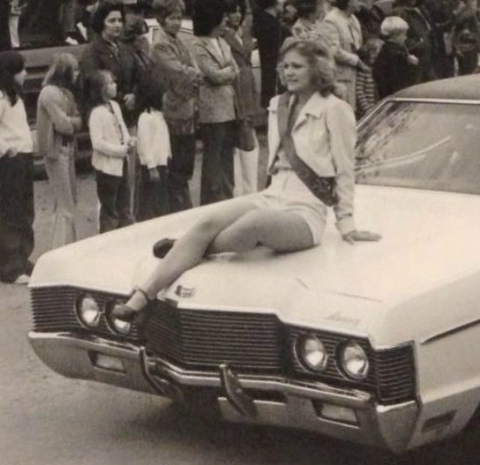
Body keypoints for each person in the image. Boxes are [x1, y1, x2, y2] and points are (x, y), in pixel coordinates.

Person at [111, 38, 381, 323]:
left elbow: (344, 168)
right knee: (206, 222)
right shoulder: (280, 104)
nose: (288, 72)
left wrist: (347, 223)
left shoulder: (335, 108)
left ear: (317, 69)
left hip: (306, 212)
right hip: (272, 195)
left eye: (297, 66)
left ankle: (189, 247)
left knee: (252, 225)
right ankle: (141, 296)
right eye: (285, 66)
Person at [0, 51, 35, 284]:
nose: (25, 73)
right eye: (20, 70)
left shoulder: (16, 98)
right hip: (11, 159)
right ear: (10, 73)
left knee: (25, 209)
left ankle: (23, 258)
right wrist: (6, 148)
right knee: (12, 211)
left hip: (24, 156)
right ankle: (10, 266)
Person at [149, 0, 202, 212]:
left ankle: (182, 203)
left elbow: (192, 67)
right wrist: (194, 75)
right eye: (172, 18)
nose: (177, 22)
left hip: (186, 106)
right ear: (161, 18)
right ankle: (177, 207)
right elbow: (177, 72)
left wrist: (193, 73)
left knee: (186, 161)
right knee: (177, 164)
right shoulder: (161, 44)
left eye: (179, 17)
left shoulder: (177, 40)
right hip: (173, 107)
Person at [192, 0, 239, 206]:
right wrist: (225, 73)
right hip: (211, 112)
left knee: (227, 157)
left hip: (229, 107)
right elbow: (214, 75)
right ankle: (213, 200)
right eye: (222, 15)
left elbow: (234, 69)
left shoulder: (222, 41)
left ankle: (227, 196)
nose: (226, 20)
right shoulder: (198, 45)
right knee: (213, 158)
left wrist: (225, 73)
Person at [36, 53, 82, 248]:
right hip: (56, 150)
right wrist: (74, 122)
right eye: (75, 70)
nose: (78, 74)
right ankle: (65, 247)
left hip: (69, 148)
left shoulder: (66, 93)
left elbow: (77, 120)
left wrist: (73, 122)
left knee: (68, 199)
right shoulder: (49, 93)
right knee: (66, 204)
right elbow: (64, 124)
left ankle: (60, 244)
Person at [222, 0, 260, 196]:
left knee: (248, 132)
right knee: (244, 137)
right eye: (232, 12)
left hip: (246, 86)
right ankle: (246, 190)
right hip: (236, 87)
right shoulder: (226, 35)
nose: (236, 15)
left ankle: (248, 188)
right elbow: (245, 51)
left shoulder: (237, 33)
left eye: (239, 11)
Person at [88, 70, 135, 233]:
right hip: (107, 168)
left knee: (124, 204)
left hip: (121, 164)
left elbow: (121, 125)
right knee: (110, 209)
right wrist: (120, 150)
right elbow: (98, 143)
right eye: (110, 83)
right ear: (101, 89)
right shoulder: (96, 113)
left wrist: (129, 140)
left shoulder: (114, 106)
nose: (114, 85)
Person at [79, 1, 138, 124]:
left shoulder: (126, 48)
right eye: (112, 21)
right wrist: (123, 100)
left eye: (120, 20)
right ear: (102, 23)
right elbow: (94, 85)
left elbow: (137, 75)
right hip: (105, 115)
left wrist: (134, 95)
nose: (117, 25)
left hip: (130, 114)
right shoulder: (92, 52)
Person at [318, 0, 367, 109]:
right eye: (359, 0)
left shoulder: (353, 19)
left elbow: (357, 44)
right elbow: (334, 51)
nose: (362, 3)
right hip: (341, 77)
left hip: (355, 76)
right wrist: (357, 61)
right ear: (349, 0)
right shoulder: (331, 20)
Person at [250, 0, 292, 109]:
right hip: (276, 83)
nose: (284, 0)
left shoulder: (261, 21)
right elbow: (276, 55)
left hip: (271, 82)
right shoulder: (271, 26)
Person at [135, 78, 172, 221]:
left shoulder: (159, 116)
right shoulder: (145, 117)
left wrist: (168, 156)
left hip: (162, 164)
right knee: (150, 201)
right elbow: (144, 144)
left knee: (161, 200)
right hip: (152, 167)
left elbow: (163, 139)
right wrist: (151, 166)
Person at [390, 0, 436, 84]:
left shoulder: (421, 9)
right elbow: (397, 40)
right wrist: (419, 44)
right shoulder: (400, 12)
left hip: (428, 60)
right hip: (414, 62)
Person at [372, 16, 419, 97]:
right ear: (396, 35)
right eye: (404, 34)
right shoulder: (396, 54)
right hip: (397, 93)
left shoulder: (390, 50)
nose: (405, 37)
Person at [355, 38, 382, 119]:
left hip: (374, 108)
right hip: (366, 111)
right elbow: (359, 90)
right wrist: (367, 108)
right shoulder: (363, 69)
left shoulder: (374, 68)